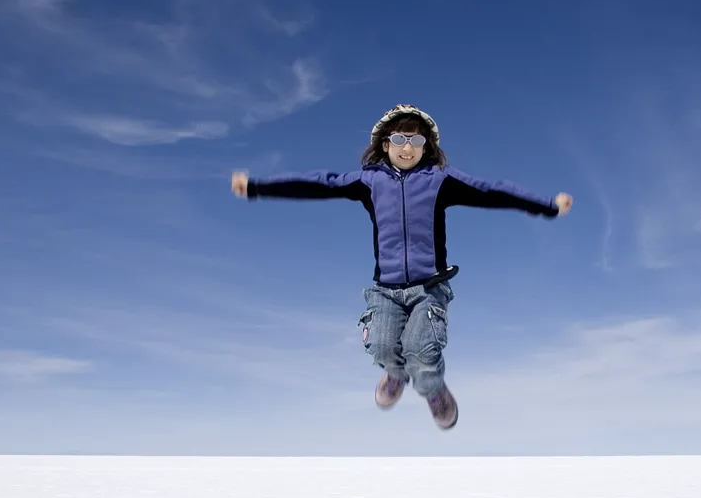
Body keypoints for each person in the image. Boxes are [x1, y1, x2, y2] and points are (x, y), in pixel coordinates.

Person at [231, 104, 572, 429]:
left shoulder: (440, 180)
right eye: (399, 139)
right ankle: (395, 374)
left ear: (427, 147)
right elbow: (319, 183)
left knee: (421, 353)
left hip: (429, 288)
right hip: (386, 290)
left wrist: (546, 206)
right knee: (381, 346)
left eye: (416, 140)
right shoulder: (369, 182)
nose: (407, 148)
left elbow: (492, 191)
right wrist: (258, 186)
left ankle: (434, 390)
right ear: (385, 144)